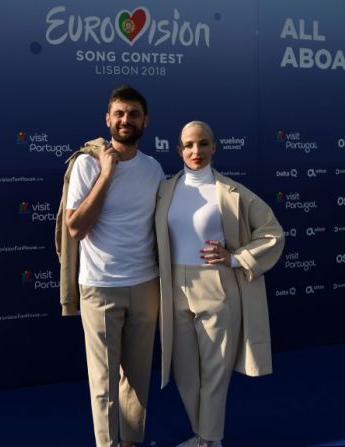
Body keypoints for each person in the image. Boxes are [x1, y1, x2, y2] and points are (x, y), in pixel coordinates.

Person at [155, 121, 284, 447]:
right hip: (173, 287)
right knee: (184, 373)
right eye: (188, 145)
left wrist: (236, 258)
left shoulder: (232, 192)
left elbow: (273, 233)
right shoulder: (164, 190)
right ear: (179, 150)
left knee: (215, 372)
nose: (195, 151)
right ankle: (206, 436)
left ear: (214, 147)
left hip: (218, 288)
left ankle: (208, 440)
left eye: (203, 143)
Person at [60, 85, 165, 447]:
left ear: (145, 121)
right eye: (119, 113)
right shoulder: (87, 164)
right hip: (101, 286)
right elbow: (75, 227)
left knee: (137, 379)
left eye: (133, 114)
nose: (125, 120)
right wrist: (106, 174)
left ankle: (130, 442)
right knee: (104, 383)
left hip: (146, 284)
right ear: (108, 119)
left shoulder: (153, 169)